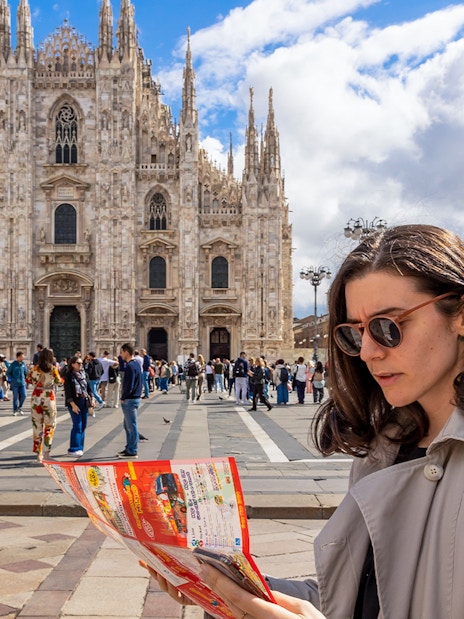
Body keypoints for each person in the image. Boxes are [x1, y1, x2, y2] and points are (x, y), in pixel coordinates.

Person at [143, 224, 464, 619]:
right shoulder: (384, 448)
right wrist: (232, 588)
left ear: (459, 315)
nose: (367, 352)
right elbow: (361, 598)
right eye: (353, 334)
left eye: (387, 327)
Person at [26, 347, 63, 462]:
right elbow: (58, 382)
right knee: (50, 426)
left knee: (37, 426)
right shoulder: (53, 369)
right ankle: (47, 454)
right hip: (49, 398)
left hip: (36, 398)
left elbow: (28, 380)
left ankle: (38, 455)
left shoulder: (34, 369)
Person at [63, 355, 95, 458]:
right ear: (72, 364)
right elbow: (68, 392)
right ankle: (73, 449)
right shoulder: (68, 376)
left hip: (84, 401)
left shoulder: (84, 374)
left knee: (84, 425)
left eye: (82, 363)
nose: (81, 365)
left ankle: (80, 447)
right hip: (74, 402)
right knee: (77, 425)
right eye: (79, 363)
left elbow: (89, 388)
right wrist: (73, 405)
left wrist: (92, 398)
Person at [118, 342, 142, 458]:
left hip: (130, 400)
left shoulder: (130, 366)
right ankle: (129, 448)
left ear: (126, 352)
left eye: (121, 352)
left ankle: (132, 450)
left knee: (131, 426)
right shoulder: (136, 364)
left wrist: (123, 397)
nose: (120, 355)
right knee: (128, 425)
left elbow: (129, 385)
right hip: (135, 398)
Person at [7, 351, 28, 416]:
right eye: (22, 356)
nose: (23, 357)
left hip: (22, 383)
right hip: (15, 384)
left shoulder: (23, 364)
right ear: (18, 357)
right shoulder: (13, 364)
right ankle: (15, 410)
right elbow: (8, 373)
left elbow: (26, 373)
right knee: (15, 397)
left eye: (23, 356)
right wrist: (12, 378)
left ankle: (20, 407)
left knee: (24, 395)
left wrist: (26, 378)